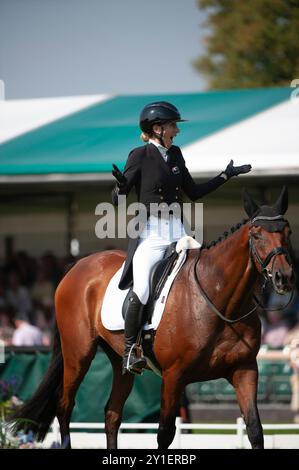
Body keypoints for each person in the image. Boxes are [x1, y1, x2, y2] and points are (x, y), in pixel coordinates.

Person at [111, 101, 251, 375]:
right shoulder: (139, 155)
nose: (177, 130)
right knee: (141, 288)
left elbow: (194, 193)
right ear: (158, 128)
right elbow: (119, 197)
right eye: (173, 125)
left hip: (177, 230)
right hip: (150, 232)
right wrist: (119, 185)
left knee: (205, 272)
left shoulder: (175, 154)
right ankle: (130, 350)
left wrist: (225, 175)